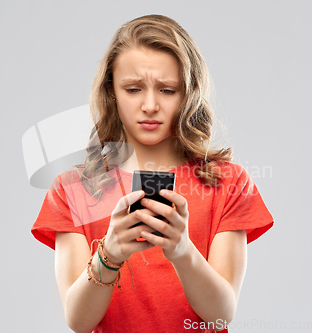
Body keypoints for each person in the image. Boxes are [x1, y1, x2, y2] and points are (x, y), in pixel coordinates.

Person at [31, 14, 274, 333]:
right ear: (111, 91)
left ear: (189, 92)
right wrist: (110, 254)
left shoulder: (229, 183)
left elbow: (220, 315)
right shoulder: (72, 188)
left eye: (167, 90)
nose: (149, 105)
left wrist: (183, 251)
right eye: (133, 89)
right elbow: (78, 320)